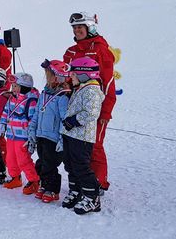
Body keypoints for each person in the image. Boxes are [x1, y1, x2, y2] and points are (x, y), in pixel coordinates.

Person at [63, 12, 116, 192]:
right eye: (75, 27)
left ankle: (98, 183)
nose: (77, 30)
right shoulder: (71, 51)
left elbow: (108, 83)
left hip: (95, 106)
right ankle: (81, 183)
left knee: (94, 145)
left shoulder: (101, 50)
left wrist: (106, 112)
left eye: (80, 27)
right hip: (74, 106)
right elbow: (66, 79)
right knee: (76, 146)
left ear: (90, 27)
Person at [61, 57, 105, 215]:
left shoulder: (92, 91)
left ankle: (92, 197)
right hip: (71, 134)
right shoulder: (81, 88)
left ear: (84, 74)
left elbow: (92, 113)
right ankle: (76, 190)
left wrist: (73, 121)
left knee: (81, 166)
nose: (70, 77)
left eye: (73, 74)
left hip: (82, 137)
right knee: (70, 164)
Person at [27, 60, 71, 203]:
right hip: (41, 134)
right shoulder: (45, 93)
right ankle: (44, 185)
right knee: (41, 162)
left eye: (49, 75)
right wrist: (32, 130)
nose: (47, 77)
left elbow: (64, 119)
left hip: (53, 137)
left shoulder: (62, 96)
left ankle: (52, 190)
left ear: (58, 77)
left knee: (50, 165)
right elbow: (37, 114)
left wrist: (61, 139)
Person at [0, 73, 40, 194]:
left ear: (24, 86)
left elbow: (33, 119)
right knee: (10, 158)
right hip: (11, 134)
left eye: (16, 86)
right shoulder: (12, 98)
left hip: (23, 136)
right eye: (13, 86)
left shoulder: (31, 101)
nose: (13, 88)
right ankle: (15, 177)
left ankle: (34, 180)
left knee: (23, 159)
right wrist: (2, 124)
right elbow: (6, 112)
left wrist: (32, 136)